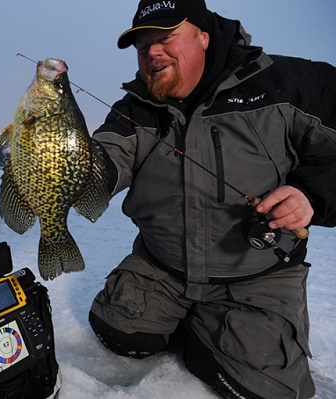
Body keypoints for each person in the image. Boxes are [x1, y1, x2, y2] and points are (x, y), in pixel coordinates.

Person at [88, 1, 336, 398]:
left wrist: (311, 194)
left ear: (203, 36)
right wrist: (69, 169)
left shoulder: (286, 82)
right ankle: (196, 322)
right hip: (162, 267)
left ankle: (231, 330)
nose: (152, 52)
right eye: (142, 45)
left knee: (266, 391)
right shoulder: (133, 109)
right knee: (118, 333)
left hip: (257, 276)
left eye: (165, 37)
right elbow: (104, 161)